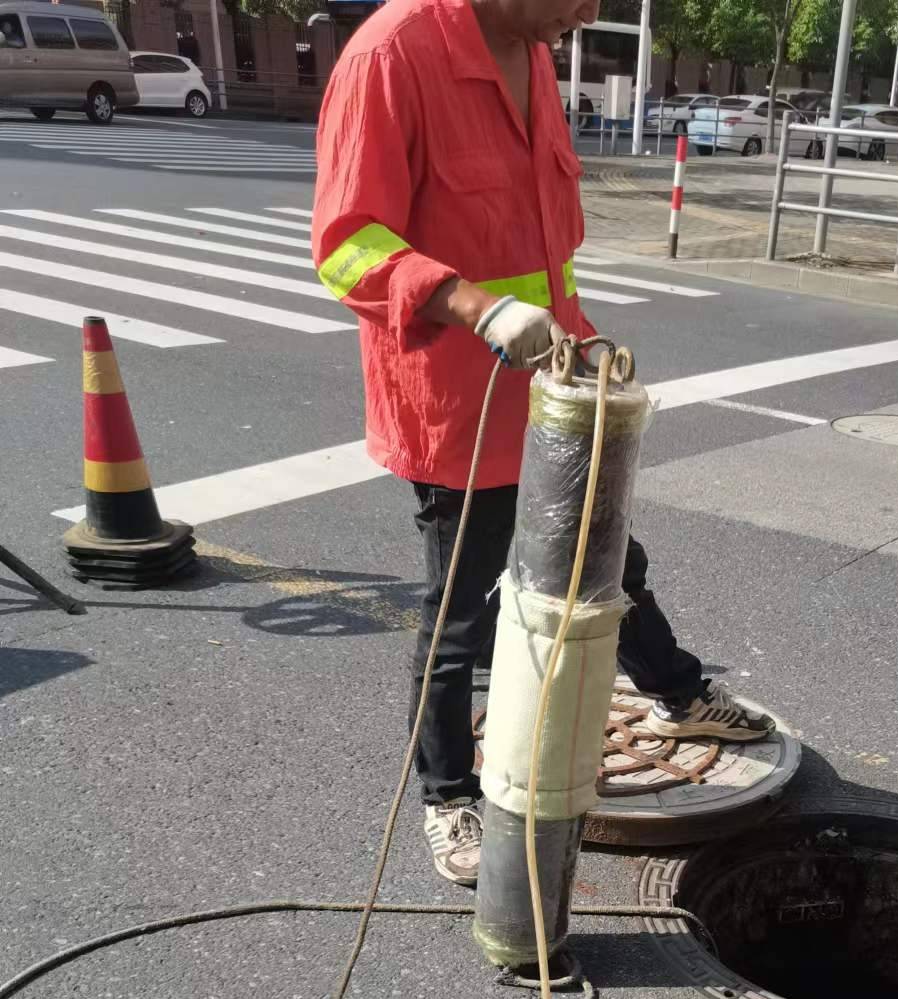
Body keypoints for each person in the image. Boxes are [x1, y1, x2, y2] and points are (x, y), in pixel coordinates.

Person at [312, 0, 773, 886]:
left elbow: (544, 248)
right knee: (461, 615)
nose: (592, 10)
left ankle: (678, 694)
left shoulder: (533, 50)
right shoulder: (392, 57)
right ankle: (449, 796)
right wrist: (479, 308)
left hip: (554, 384)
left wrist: (578, 332)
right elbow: (346, 245)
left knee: (608, 564)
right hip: (460, 402)